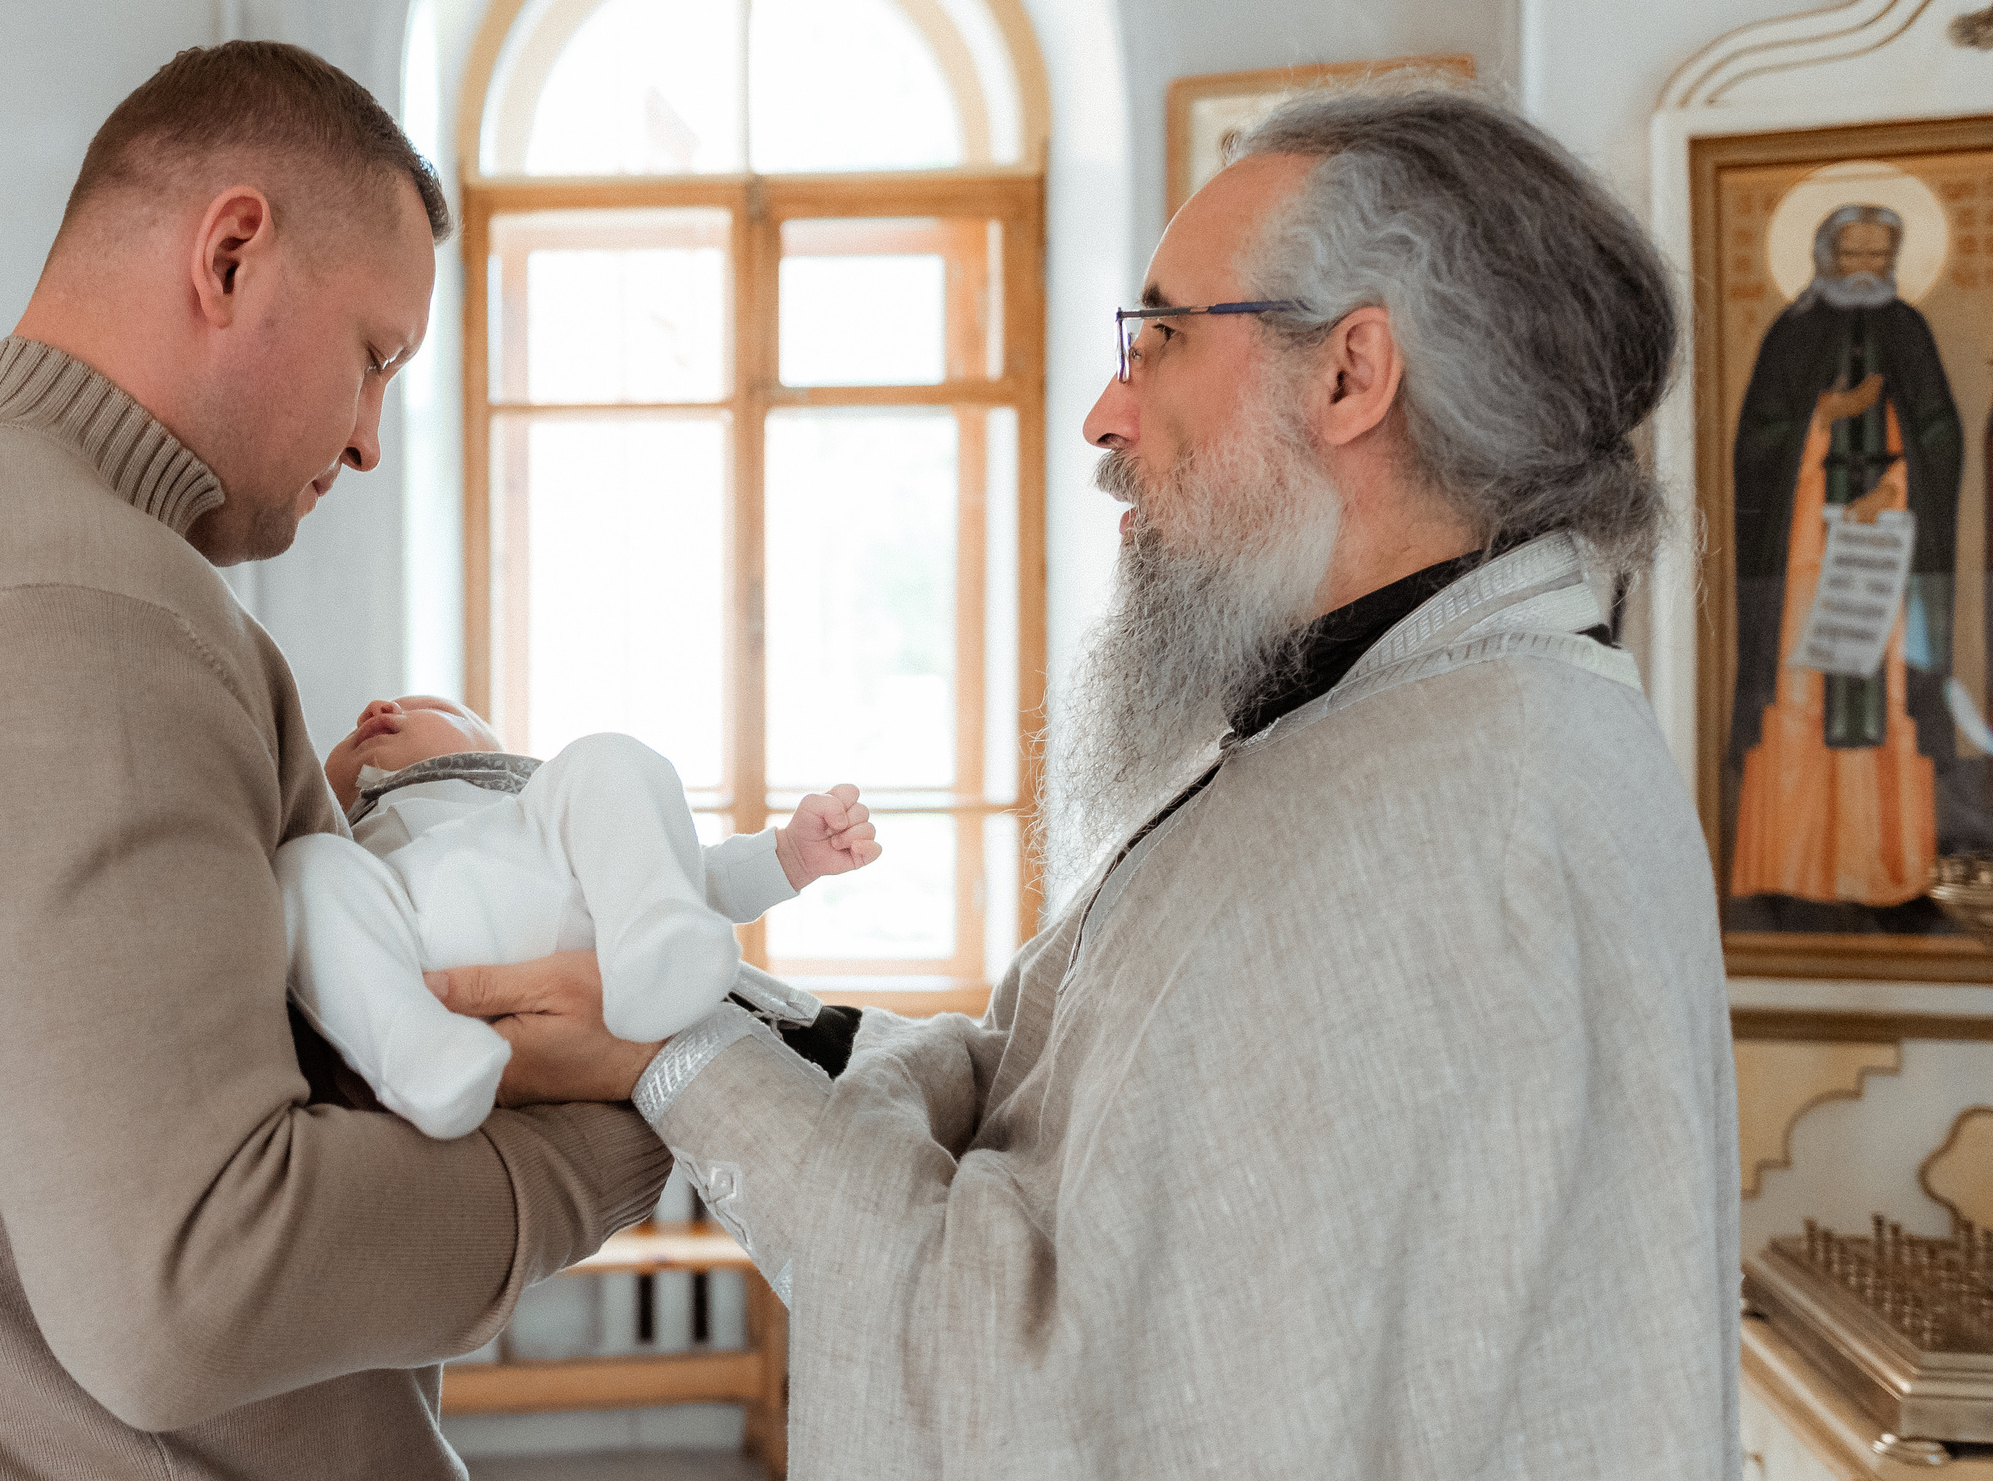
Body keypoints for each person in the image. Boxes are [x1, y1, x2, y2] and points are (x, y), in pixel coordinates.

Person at [433, 85, 1740, 1478]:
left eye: (1162, 337)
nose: (1106, 414)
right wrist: (722, 1012)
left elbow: (1045, 1387)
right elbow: (1038, 1095)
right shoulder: (1413, 732)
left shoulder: (1442, 831)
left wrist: (674, 1060)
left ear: (1352, 377)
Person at [0, 43, 674, 1480]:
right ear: (232, 253)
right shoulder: (76, 611)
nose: (369, 441)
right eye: (375, 357)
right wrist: (641, 1112)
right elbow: (194, 1290)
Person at [281, 694, 878, 1137]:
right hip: (413, 937)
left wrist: (790, 856)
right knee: (305, 865)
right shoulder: (357, 843)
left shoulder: (547, 809)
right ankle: (416, 1054)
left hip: (586, 926)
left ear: (497, 756)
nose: (379, 709)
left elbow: (697, 873)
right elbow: (333, 938)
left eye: (434, 707)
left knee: (609, 757)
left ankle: (655, 947)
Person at [1728, 203, 1964, 925]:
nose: (1867, 269)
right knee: (1802, 685)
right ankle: (1796, 866)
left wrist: (1891, 490)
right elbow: (1756, 445)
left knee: (1885, 691)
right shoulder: (1791, 334)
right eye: (1854, 254)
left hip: (1884, 549)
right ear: (1826, 257)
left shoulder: (1909, 331)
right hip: (1804, 548)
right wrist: (1821, 417)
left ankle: (1886, 870)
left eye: (1878, 255)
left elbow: (1937, 438)